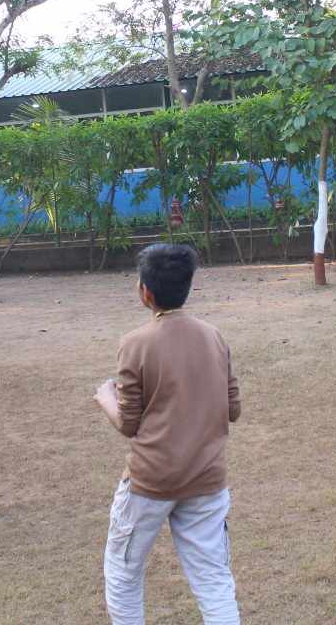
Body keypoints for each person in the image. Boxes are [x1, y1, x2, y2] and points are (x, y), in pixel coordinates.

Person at [93, 243, 241, 625]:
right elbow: (233, 408)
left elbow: (128, 423)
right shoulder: (214, 336)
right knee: (213, 579)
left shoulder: (135, 343)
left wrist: (104, 395)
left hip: (149, 483)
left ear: (145, 292)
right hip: (207, 480)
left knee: (123, 577)